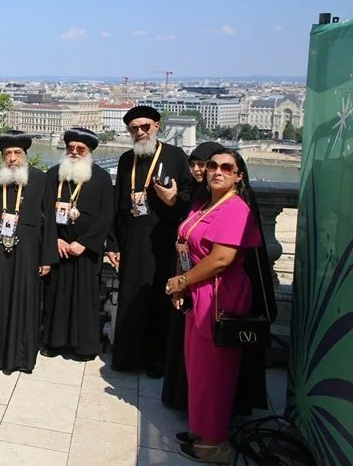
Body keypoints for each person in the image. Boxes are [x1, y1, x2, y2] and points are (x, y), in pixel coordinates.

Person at [165, 149, 275, 463]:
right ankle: (201, 428)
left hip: (220, 296)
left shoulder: (235, 208)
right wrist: (185, 284)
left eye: (227, 168)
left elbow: (221, 259)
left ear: (239, 176)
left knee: (215, 372)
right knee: (198, 367)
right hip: (199, 293)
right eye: (212, 165)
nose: (217, 171)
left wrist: (181, 282)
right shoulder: (206, 204)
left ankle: (215, 444)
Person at [106, 105, 193, 377]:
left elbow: (191, 199)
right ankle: (126, 356)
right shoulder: (125, 160)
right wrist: (113, 243)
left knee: (158, 296)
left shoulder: (175, 156)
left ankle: (156, 360)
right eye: (134, 129)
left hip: (161, 238)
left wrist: (173, 199)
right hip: (131, 238)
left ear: (157, 126)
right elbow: (117, 203)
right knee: (130, 296)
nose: (140, 132)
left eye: (145, 127)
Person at [0, 130, 56, 373]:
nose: (12, 158)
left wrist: (46, 258)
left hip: (30, 251)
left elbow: (49, 222)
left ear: (25, 155)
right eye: (8, 153)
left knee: (25, 301)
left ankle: (20, 358)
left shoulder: (40, 180)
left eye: (17, 153)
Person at [41, 127, 115, 361]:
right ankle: (54, 342)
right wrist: (55, 238)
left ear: (89, 151)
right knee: (56, 298)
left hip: (86, 252)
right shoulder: (53, 175)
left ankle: (83, 347)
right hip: (58, 248)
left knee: (85, 300)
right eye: (70, 147)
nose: (74, 152)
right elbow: (41, 212)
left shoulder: (102, 178)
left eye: (80, 149)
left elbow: (107, 216)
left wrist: (85, 242)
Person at [162, 141, 224, 410]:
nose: (199, 169)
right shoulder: (200, 194)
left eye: (205, 164)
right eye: (195, 164)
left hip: (208, 284)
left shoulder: (226, 202)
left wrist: (184, 280)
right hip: (189, 278)